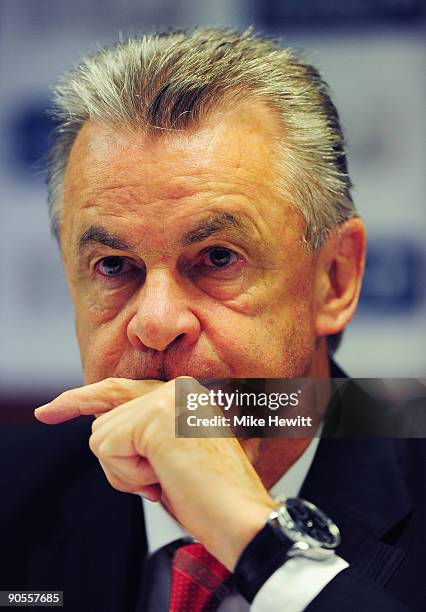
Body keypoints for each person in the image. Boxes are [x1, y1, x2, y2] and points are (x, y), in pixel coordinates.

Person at [1, 28, 424, 611]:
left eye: (218, 258)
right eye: (114, 265)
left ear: (335, 279)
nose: (155, 322)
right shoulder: (16, 499)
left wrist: (264, 549)